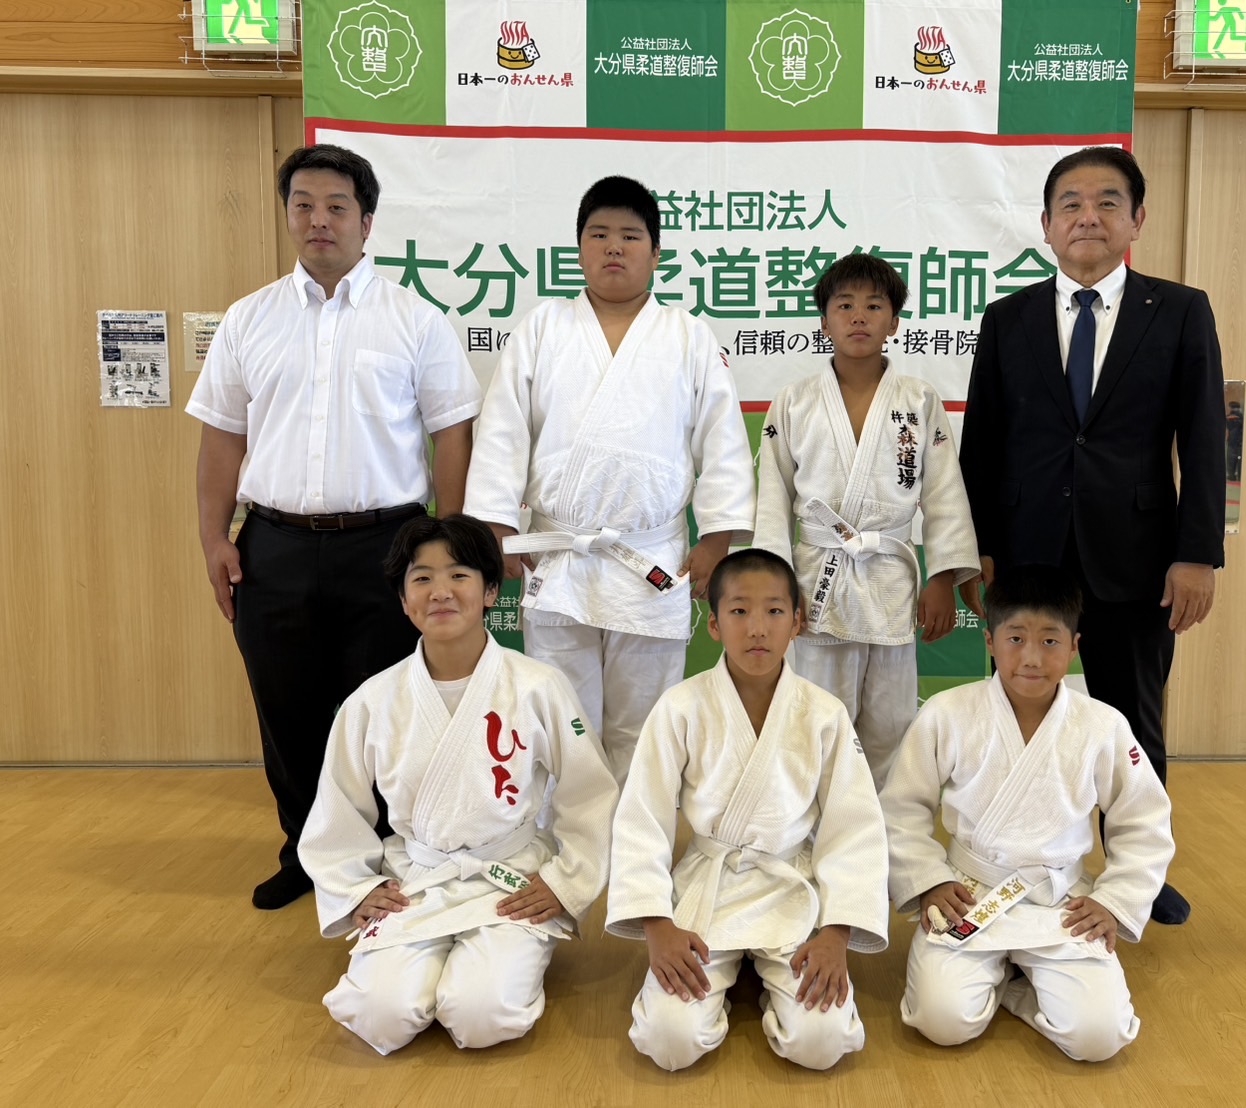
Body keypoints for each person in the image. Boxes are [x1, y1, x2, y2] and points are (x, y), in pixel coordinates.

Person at [187, 144, 483, 910]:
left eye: (336, 207)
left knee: (384, 709)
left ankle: (383, 854)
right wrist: (215, 538)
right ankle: (305, 853)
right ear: (288, 215)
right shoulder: (248, 319)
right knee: (286, 709)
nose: (319, 220)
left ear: (367, 221)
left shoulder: (414, 319)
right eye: (303, 205)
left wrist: (448, 545)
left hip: (386, 546)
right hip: (273, 544)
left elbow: (453, 433)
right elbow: (222, 438)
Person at [959, 146, 1225, 924]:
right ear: (1045, 224)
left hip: (1136, 557)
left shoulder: (1179, 311)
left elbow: (1202, 440)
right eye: (1070, 204)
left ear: (1136, 220)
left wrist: (1196, 553)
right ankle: (1007, 858)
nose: (1087, 216)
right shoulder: (1007, 318)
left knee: (1133, 723)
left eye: (1107, 202)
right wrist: (975, 550)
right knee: (1017, 713)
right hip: (1026, 554)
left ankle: (1138, 875)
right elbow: (983, 444)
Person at [464, 175, 755, 787]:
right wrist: (495, 525)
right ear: (579, 249)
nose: (614, 247)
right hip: (558, 556)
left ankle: (637, 832)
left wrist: (718, 538)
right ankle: (569, 831)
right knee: (561, 719)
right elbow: (503, 431)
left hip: (651, 558)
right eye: (598, 235)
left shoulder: (687, 335)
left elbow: (723, 440)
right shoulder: (543, 328)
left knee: (644, 725)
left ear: (655, 252)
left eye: (630, 235)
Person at [298, 515, 620, 1055]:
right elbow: (338, 807)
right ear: (403, 600)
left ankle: (496, 962)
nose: (440, 591)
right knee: (378, 1016)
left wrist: (566, 882)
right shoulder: (372, 700)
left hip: (509, 878)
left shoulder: (538, 686)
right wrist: (354, 888)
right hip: (417, 878)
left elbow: (591, 791)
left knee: (482, 1016)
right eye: (422, 578)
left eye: (459, 575)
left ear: (492, 591)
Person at [606, 549, 889, 1071]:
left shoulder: (823, 713)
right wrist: (657, 925)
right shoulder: (680, 707)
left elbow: (855, 825)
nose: (757, 627)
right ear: (714, 624)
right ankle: (740, 969)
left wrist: (837, 932)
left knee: (821, 1043)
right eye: (739, 611)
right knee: (669, 1041)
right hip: (709, 888)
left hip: (790, 886)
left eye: (774, 611)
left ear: (797, 622)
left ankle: (764, 971)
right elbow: (641, 817)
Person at [879, 565, 1174, 1062]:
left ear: (1074, 646)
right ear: (990, 642)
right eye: (1016, 638)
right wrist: (928, 880)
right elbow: (901, 808)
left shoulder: (1102, 725)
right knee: (942, 1021)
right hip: (968, 894)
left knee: (1099, 1037)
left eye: (1049, 641)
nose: (1032, 658)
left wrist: (1115, 901)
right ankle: (1010, 978)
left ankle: (1012, 983)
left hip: (1061, 899)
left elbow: (1144, 820)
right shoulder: (947, 713)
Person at [754, 253, 981, 791]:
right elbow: (771, 497)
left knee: (891, 722)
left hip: (890, 576)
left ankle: (881, 830)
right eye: (845, 305)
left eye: (874, 306)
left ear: (894, 322)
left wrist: (942, 577)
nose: (859, 316)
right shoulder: (794, 401)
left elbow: (944, 493)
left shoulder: (918, 400)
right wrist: (777, 586)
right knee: (815, 718)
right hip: (816, 577)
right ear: (824, 321)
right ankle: (815, 826)